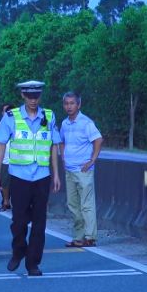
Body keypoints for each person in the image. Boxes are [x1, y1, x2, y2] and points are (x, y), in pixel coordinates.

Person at [0, 80, 61, 277]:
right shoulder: (11, 117)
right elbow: (0, 144)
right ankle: (18, 250)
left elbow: (53, 146)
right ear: (23, 95)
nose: (33, 100)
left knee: (40, 223)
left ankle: (33, 264)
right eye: (29, 96)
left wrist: (56, 174)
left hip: (42, 175)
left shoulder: (49, 115)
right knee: (18, 221)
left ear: (40, 96)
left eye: (36, 96)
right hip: (19, 176)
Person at [59, 91, 103, 248]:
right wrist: (63, 156)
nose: (69, 106)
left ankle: (90, 236)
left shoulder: (86, 123)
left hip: (84, 169)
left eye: (72, 103)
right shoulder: (65, 124)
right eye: (66, 103)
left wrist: (92, 159)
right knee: (73, 205)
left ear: (78, 104)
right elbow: (61, 141)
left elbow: (98, 139)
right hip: (69, 169)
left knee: (86, 204)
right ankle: (78, 236)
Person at [0, 104, 13, 211]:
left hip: (18, 160)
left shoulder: (21, 124)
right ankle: (6, 201)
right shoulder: (0, 125)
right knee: (4, 183)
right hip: (5, 159)